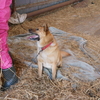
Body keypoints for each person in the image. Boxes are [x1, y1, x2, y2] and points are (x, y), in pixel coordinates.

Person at [0, 0, 18, 91]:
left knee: (1, 47)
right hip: (3, 10)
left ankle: (11, 78)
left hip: (1, 11)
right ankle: (10, 64)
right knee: (2, 43)